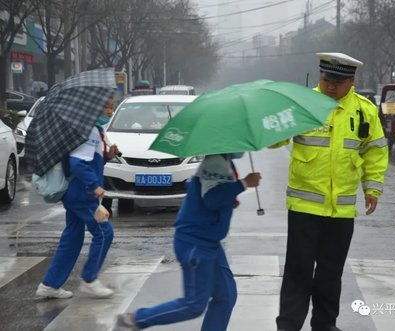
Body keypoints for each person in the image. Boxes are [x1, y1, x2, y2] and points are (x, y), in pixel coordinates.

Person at [272, 53, 389, 331]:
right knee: (297, 273)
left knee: (330, 273)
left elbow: (375, 151)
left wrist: (372, 188)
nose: (330, 87)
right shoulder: (303, 104)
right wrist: (273, 124)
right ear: (320, 77)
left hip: (342, 210)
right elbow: (277, 141)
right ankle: (288, 326)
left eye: (338, 82)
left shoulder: (365, 110)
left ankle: (325, 325)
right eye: (326, 80)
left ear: (352, 81)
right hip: (304, 208)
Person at [116, 153, 261, 330]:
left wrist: (229, 199)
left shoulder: (224, 160)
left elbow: (206, 192)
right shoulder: (215, 162)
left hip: (209, 241)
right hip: (196, 243)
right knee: (193, 305)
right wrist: (243, 184)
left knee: (226, 295)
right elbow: (212, 199)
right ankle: (134, 320)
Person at [35, 98, 121, 299]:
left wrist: (108, 155)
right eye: (106, 107)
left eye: (111, 107)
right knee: (104, 232)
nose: (110, 111)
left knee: (72, 237)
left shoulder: (93, 130)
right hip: (83, 193)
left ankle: (50, 284)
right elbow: (77, 163)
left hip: (75, 192)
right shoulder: (88, 130)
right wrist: (94, 186)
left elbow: (87, 160)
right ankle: (90, 279)